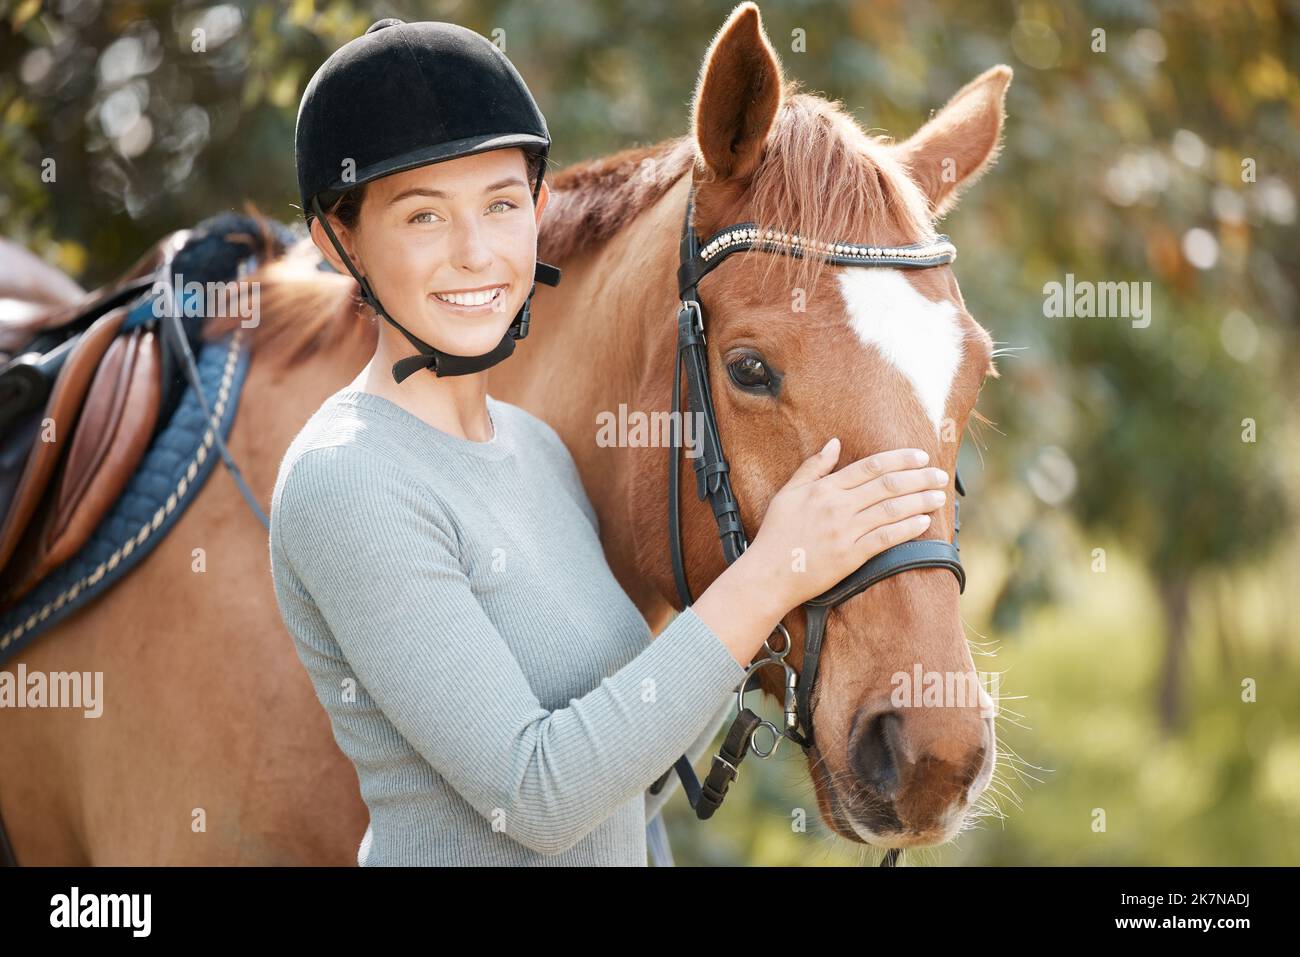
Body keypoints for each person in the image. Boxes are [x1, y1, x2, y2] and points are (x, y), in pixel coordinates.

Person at [270, 18, 950, 866]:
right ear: (341, 241)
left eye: (501, 204)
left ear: (539, 212)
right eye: (421, 216)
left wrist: (786, 587)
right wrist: (772, 571)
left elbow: (626, 788)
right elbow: (538, 795)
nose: (476, 253)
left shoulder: (537, 450)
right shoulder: (347, 480)